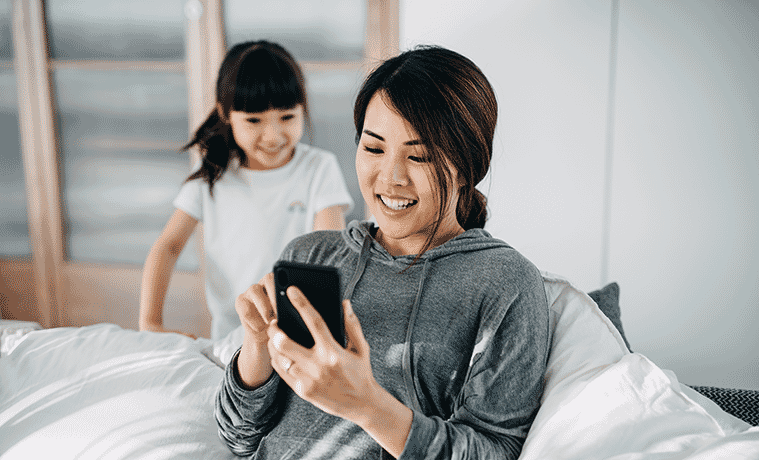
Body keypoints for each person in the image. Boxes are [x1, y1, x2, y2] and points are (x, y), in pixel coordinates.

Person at [214, 45, 549, 459]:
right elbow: (237, 437)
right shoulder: (311, 255)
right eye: (374, 148)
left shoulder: (506, 283)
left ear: (465, 165)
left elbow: (495, 451)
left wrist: (367, 406)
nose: (390, 178)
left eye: (419, 156)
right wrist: (256, 346)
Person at [139, 41, 354, 340]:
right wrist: (150, 322)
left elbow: (329, 253)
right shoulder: (211, 177)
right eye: (254, 120)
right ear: (225, 114)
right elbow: (168, 246)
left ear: (302, 109)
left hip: (302, 335)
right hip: (232, 338)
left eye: (287, 117)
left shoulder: (319, 168)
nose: (273, 135)